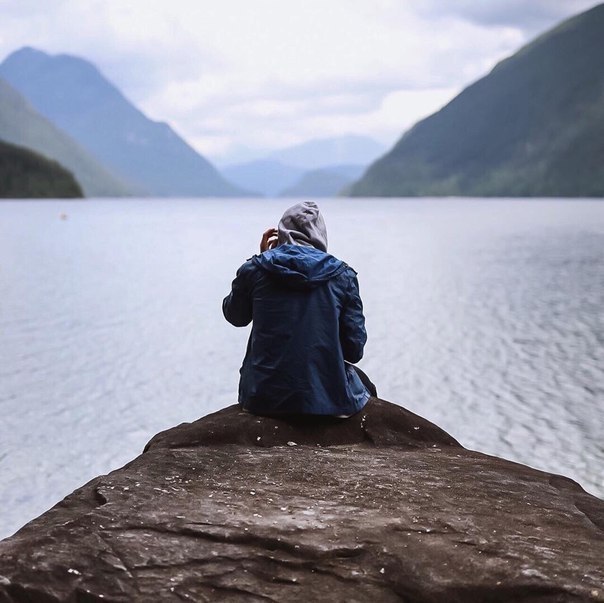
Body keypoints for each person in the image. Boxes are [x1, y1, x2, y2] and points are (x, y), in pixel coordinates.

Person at [223, 201, 374, 417]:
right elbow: (354, 350)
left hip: (262, 397)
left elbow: (235, 316)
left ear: (281, 233)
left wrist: (261, 259)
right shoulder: (343, 276)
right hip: (327, 399)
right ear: (320, 235)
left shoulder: (255, 269)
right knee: (367, 387)